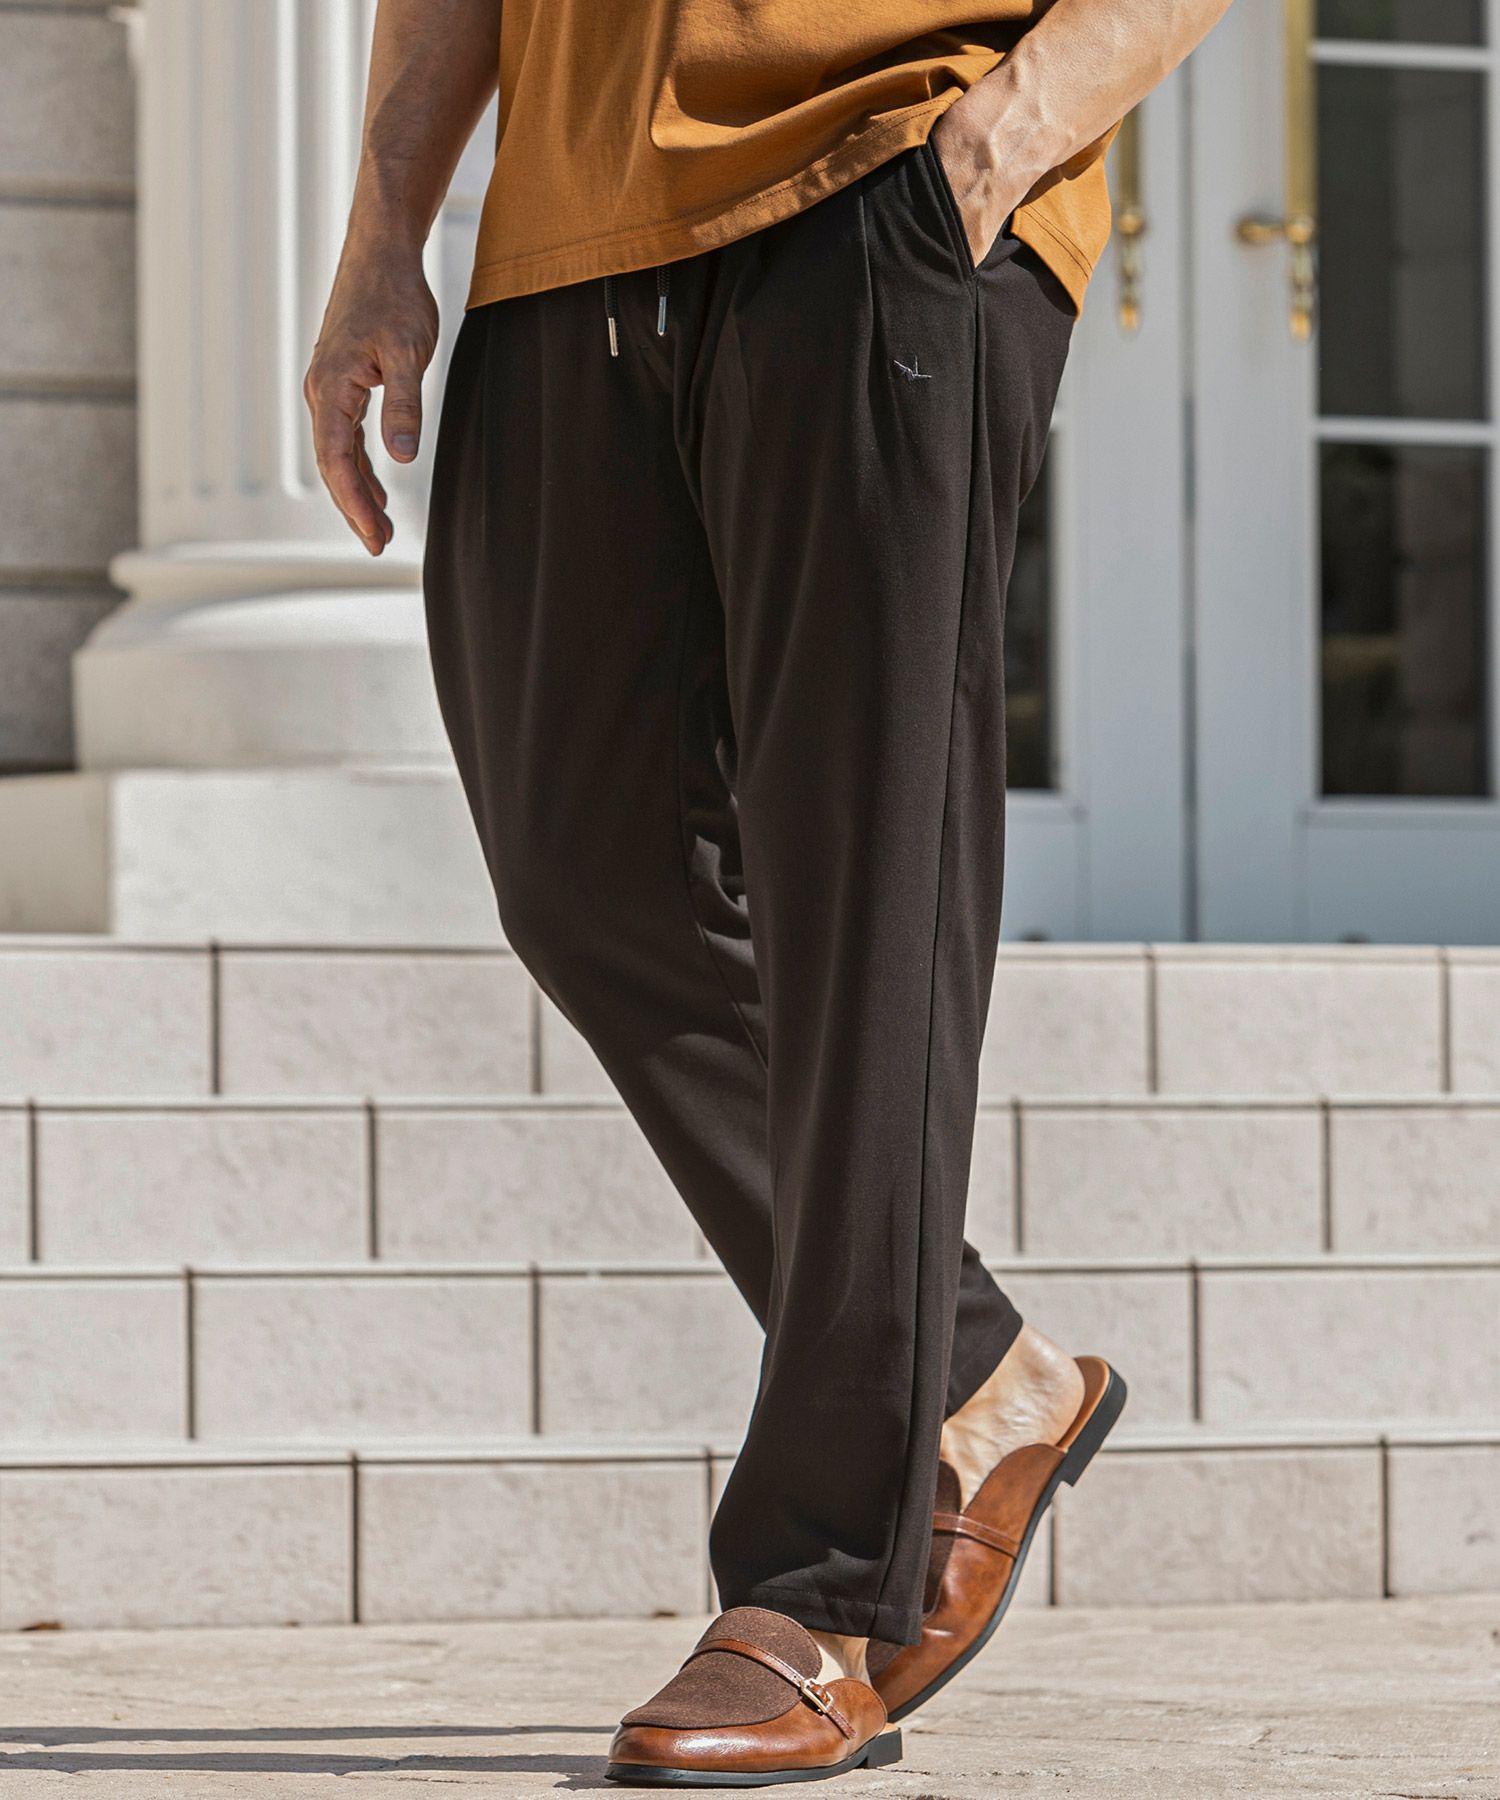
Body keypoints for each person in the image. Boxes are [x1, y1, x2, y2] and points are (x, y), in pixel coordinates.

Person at [307, 0, 1231, 1783]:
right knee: (584, 872)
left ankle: (823, 1589)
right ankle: (979, 1374)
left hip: (885, 172)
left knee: (863, 889)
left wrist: (1015, 128)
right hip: (566, 235)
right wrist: (382, 232)